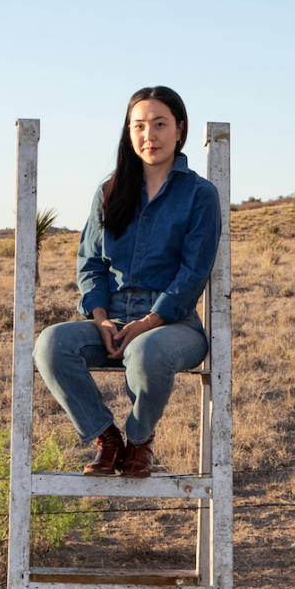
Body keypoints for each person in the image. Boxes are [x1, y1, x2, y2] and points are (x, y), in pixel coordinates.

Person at [33, 86, 222, 478]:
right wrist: (100, 318)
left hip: (173, 325)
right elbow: (90, 264)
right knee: (50, 345)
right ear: (128, 131)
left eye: (159, 124)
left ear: (179, 130)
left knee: (147, 352)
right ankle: (109, 439)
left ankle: (139, 441)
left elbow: (193, 274)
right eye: (139, 126)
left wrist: (149, 322)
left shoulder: (200, 195)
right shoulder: (109, 190)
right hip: (111, 320)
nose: (148, 135)